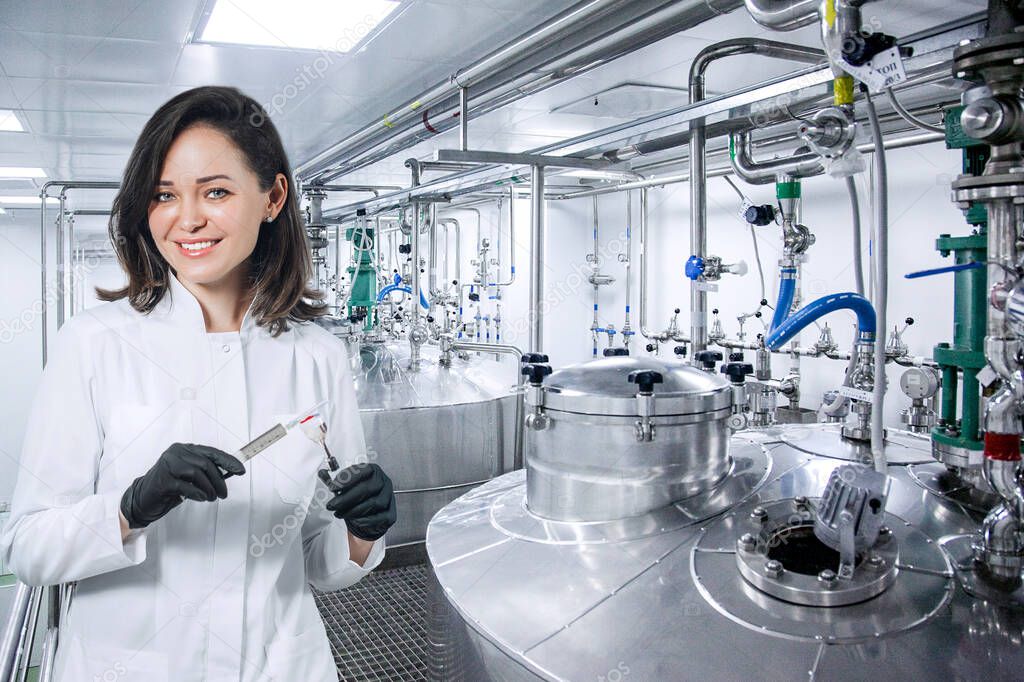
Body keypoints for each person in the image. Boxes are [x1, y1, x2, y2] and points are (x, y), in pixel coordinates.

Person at [0, 86, 396, 681]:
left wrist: (361, 535)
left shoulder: (318, 356)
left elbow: (318, 559)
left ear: (273, 197)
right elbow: (26, 548)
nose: (188, 218)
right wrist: (132, 507)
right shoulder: (96, 342)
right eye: (164, 195)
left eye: (215, 191)